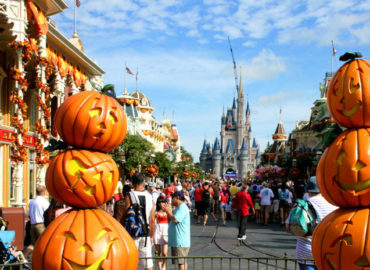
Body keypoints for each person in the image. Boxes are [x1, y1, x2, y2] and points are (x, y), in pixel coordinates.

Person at [286, 177, 337, 270]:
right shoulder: (333, 204)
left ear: (308, 190)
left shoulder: (301, 205)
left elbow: (288, 225)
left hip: (305, 252)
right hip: (327, 252)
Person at [122, 173, 156, 270]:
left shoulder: (129, 196)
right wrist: (152, 235)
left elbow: (125, 215)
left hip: (132, 233)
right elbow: (152, 219)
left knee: (130, 261)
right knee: (148, 263)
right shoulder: (150, 197)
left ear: (132, 183)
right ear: (144, 183)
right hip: (145, 233)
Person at [164, 191, 191, 270]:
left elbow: (175, 220)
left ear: (177, 198)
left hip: (180, 241)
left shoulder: (182, 207)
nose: (171, 200)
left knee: (181, 263)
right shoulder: (178, 208)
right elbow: (170, 220)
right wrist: (168, 211)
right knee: (182, 262)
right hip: (179, 241)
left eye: (173, 198)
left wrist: (169, 211)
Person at [154, 197, 169, 270]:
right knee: (158, 252)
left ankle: (164, 264)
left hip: (165, 230)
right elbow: (152, 222)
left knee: (165, 252)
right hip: (157, 230)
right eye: (159, 202)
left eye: (163, 201)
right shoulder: (156, 212)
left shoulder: (168, 211)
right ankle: (160, 267)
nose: (161, 203)